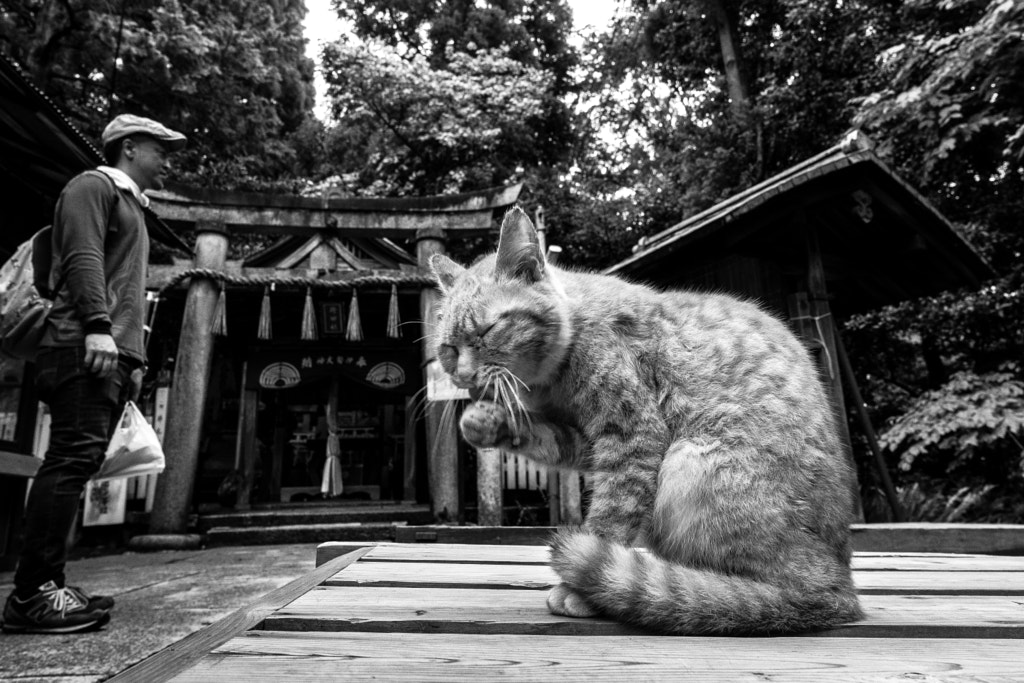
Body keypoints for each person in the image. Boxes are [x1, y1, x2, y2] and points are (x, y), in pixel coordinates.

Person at [1, 114, 186, 634]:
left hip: (106, 351)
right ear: (129, 148)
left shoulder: (132, 206)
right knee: (70, 458)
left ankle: (50, 584)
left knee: (78, 461)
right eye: (160, 147)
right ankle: (33, 593)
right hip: (80, 343)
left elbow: (128, 290)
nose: (167, 158)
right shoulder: (93, 185)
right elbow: (82, 258)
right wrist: (98, 328)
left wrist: (134, 361)